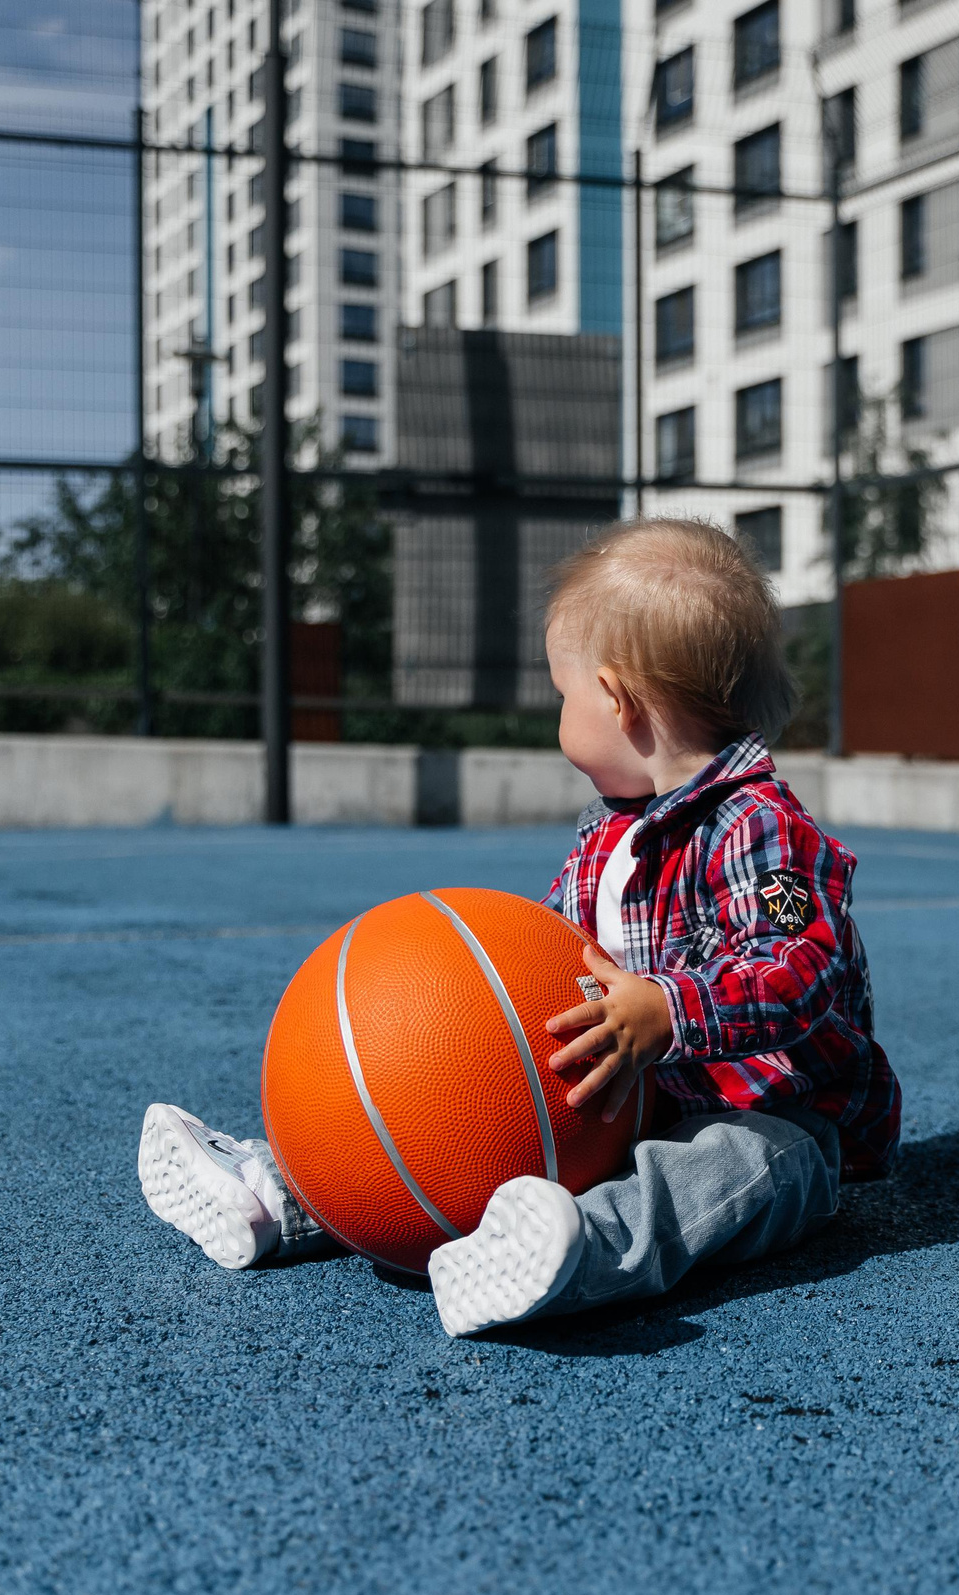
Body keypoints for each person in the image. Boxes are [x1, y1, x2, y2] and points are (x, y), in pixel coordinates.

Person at [134, 518, 900, 1336]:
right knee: (449, 1109)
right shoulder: (608, 832)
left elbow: (802, 963)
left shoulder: (759, 824)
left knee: (737, 1170)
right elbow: (545, 954)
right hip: (632, 1101)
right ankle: (275, 1194)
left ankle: (576, 1254)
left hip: (780, 1112)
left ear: (616, 699)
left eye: (563, 694)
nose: (558, 712)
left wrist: (670, 1010)